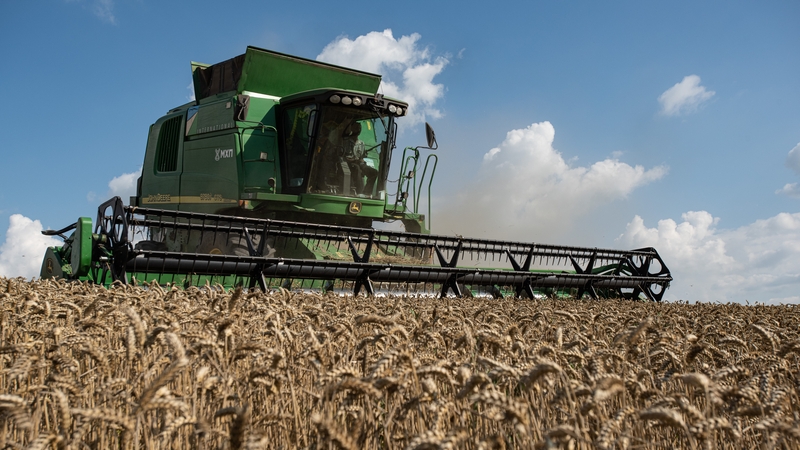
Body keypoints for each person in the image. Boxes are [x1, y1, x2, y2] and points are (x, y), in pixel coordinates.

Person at [342, 122, 378, 196]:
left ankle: (367, 192)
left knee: (374, 172)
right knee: (357, 168)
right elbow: (343, 156)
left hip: (359, 163)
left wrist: (361, 161)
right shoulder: (345, 141)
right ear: (351, 129)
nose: (358, 130)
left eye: (359, 128)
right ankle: (360, 193)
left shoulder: (361, 143)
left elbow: (362, 156)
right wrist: (355, 160)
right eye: (356, 128)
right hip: (347, 164)